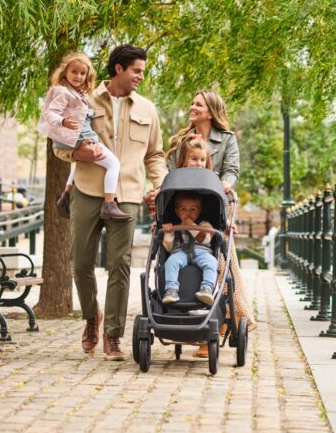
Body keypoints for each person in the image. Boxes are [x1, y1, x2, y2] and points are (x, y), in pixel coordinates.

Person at [53, 44, 168, 360]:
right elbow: (59, 145)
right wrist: (77, 154)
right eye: (136, 71)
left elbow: (155, 154)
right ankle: (92, 317)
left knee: (120, 265)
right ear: (118, 68)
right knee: (80, 263)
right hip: (87, 191)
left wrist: (161, 185)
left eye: (142, 71)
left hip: (128, 195)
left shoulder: (148, 109)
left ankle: (113, 334)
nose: (140, 77)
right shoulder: (82, 99)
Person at [165, 91, 255, 334]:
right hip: (182, 205)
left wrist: (224, 185)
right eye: (192, 102)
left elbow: (232, 170)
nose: (192, 107)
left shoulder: (226, 139)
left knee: (224, 259)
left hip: (216, 203)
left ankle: (227, 317)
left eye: (198, 104)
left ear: (211, 111)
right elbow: (170, 174)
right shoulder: (179, 141)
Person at [38, 52, 130, 220]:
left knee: (81, 162)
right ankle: (109, 204)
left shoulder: (77, 93)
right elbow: (50, 113)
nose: (78, 76)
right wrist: (62, 121)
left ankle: (66, 194)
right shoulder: (62, 91)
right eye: (74, 72)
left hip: (78, 137)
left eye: (82, 73)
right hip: (78, 136)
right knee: (114, 164)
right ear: (65, 71)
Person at [161, 192, 217, 305]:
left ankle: (207, 288)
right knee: (171, 262)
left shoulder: (205, 224)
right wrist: (168, 233)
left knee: (212, 262)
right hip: (180, 252)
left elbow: (205, 239)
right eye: (183, 209)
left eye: (193, 209)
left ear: (199, 211)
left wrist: (191, 225)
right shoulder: (175, 226)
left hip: (202, 252)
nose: (188, 213)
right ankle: (171, 290)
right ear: (177, 212)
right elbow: (168, 247)